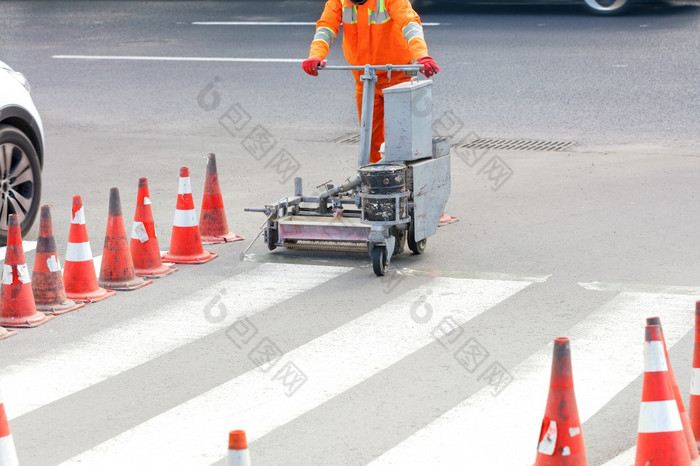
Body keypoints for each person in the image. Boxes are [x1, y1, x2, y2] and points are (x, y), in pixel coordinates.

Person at [302, 0, 439, 165]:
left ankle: (401, 178)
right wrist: (316, 55)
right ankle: (376, 179)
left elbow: (409, 24)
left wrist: (421, 55)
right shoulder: (338, 2)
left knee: (399, 139)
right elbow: (326, 28)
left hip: (396, 77)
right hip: (365, 80)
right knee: (371, 141)